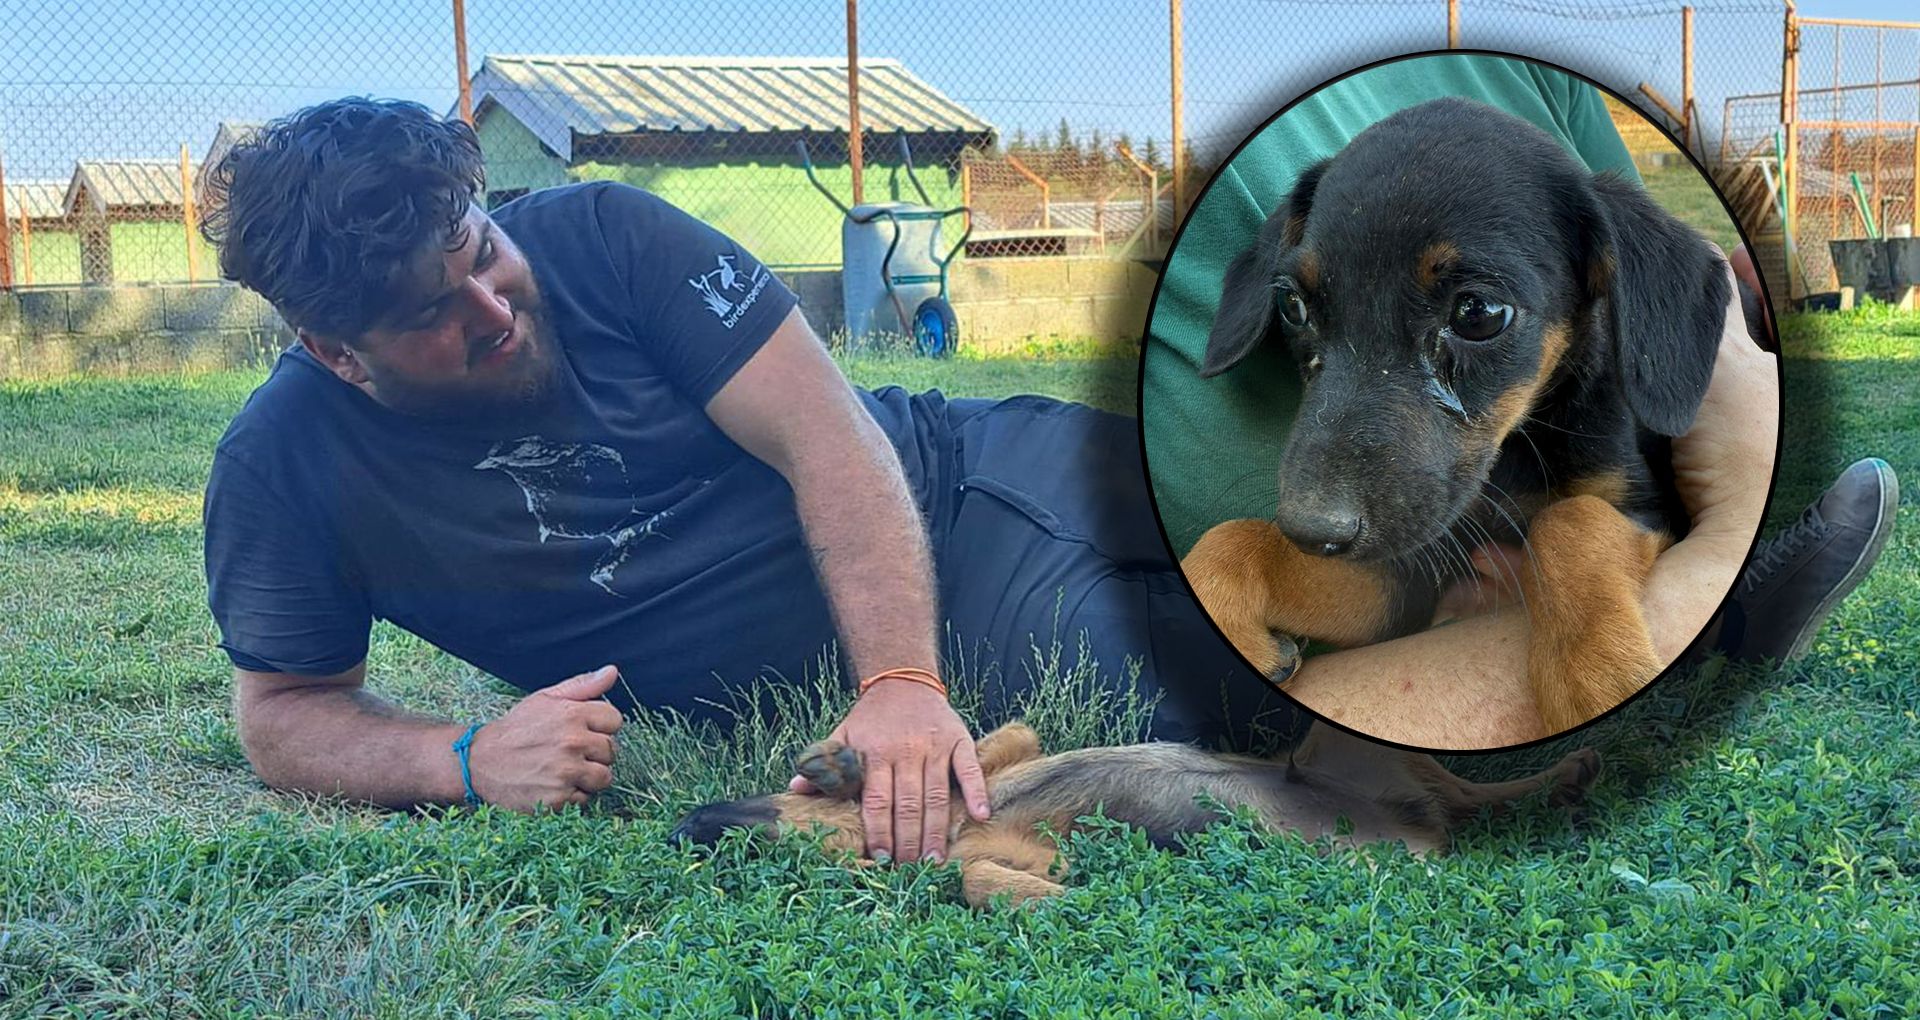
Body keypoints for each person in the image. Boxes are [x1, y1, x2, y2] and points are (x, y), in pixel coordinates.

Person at [200, 97, 1286, 867]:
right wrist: (466, 756)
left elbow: (829, 440)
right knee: (1225, 690)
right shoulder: (282, 468)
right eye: (430, 314)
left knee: (1288, 523)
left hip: (968, 487)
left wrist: (900, 683)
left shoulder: (608, 237)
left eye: (481, 253)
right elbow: (284, 713)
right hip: (974, 616)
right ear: (337, 352)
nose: (492, 309)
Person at [1143, 53, 1895, 747]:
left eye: (1476, 316)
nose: (1315, 504)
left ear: (1594, 283)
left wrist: (1578, 549)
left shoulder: (1600, 399)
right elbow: (1391, 592)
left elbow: (1643, 508)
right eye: (1305, 309)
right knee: (1234, 558)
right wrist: (1243, 569)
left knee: (1574, 524)